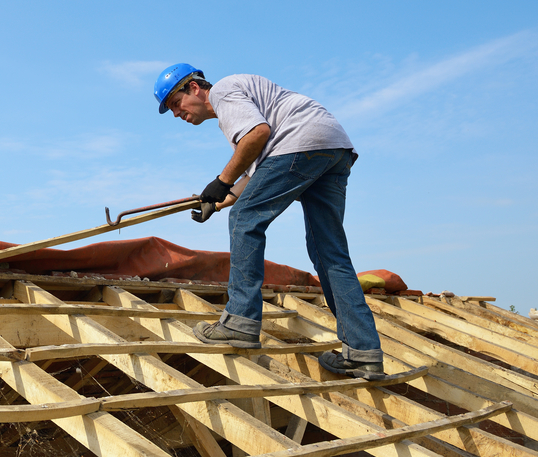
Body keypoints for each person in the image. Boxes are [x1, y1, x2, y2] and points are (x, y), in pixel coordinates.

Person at [154, 63, 385, 380]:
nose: (178, 114)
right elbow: (254, 175)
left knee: (245, 219)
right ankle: (363, 353)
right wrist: (217, 202)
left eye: (175, 104)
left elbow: (258, 136)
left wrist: (221, 181)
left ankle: (239, 321)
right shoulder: (237, 111)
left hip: (300, 143)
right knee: (328, 252)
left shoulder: (222, 91)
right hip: (332, 147)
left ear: (193, 88)